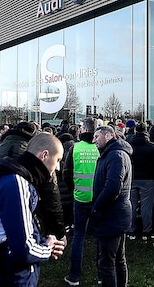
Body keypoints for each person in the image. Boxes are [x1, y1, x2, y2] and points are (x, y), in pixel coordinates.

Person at [0, 132, 66, 286]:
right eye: (58, 160)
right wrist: (48, 247)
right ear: (44, 155)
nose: (58, 167)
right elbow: (23, 249)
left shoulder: (17, 178)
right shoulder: (17, 183)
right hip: (9, 277)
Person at [92, 125, 133, 287]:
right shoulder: (112, 154)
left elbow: (113, 187)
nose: (94, 140)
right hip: (115, 214)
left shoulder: (116, 156)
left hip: (111, 215)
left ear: (108, 136)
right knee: (117, 258)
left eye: (97, 137)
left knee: (108, 261)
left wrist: (97, 207)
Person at [63, 117, 100, 286]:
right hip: (99, 199)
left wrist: (73, 190)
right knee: (101, 237)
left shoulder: (75, 148)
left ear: (83, 129)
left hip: (80, 198)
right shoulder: (101, 147)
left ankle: (74, 276)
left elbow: (66, 172)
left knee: (78, 236)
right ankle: (102, 274)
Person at [128, 122, 154, 240]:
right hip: (148, 179)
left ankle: (131, 230)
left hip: (133, 178)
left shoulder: (130, 144)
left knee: (132, 205)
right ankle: (147, 231)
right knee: (147, 206)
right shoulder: (151, 146)